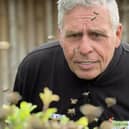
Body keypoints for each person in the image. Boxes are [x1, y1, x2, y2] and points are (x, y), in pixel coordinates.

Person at [13, 0, 129, 128]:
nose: (85, 49)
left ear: (117, 34)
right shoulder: (35, 68)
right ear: (60, 36)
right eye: (74, 35)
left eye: (96, 35)